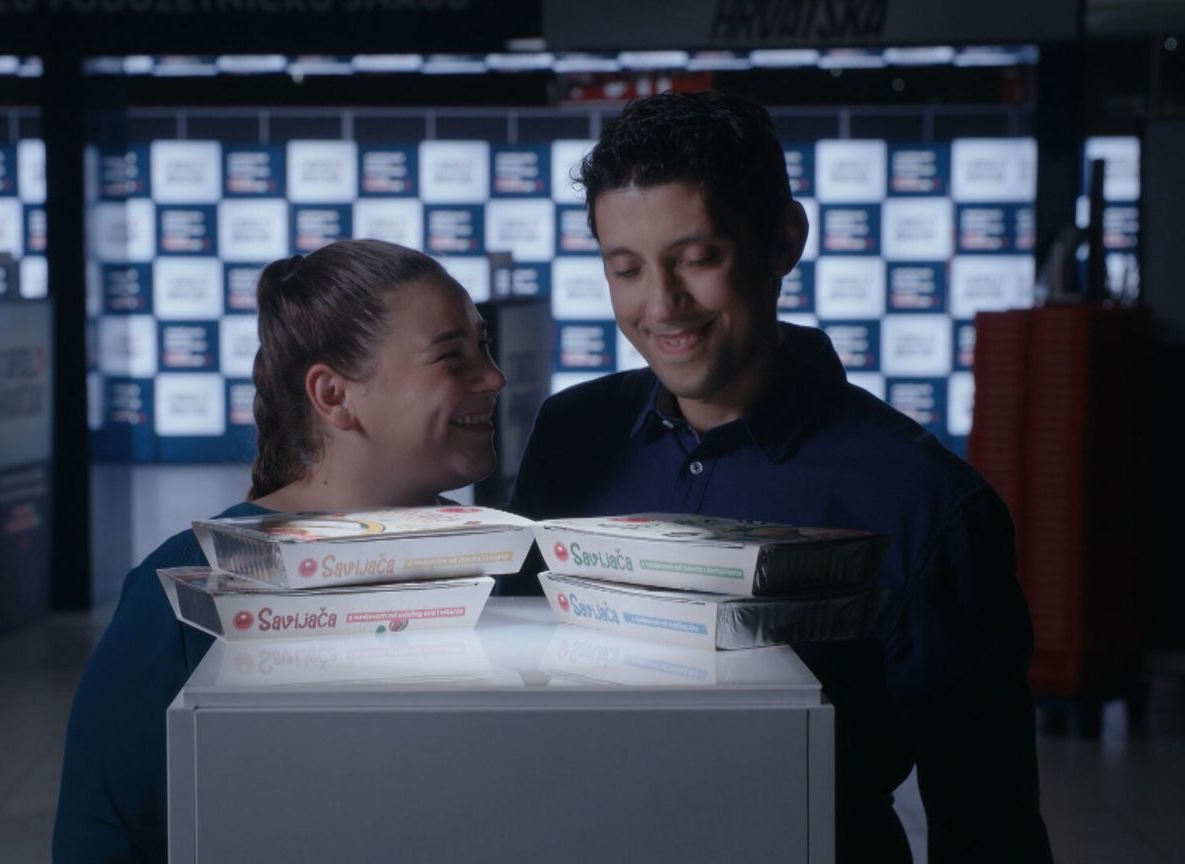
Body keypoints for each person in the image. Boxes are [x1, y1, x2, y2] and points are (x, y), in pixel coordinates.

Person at [506, 91, 1052, 863]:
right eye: (625, 269)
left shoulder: (927, 502)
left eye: (698, 259)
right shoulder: (571, 435)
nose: (662, 305)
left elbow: (988, 825)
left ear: (783, 240)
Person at [53, 239, 505, 862]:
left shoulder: (504, 559)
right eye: (452, 356)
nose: (494, 377)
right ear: (333, 395)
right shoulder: (184, 586)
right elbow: (103, 835)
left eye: (483, 346)